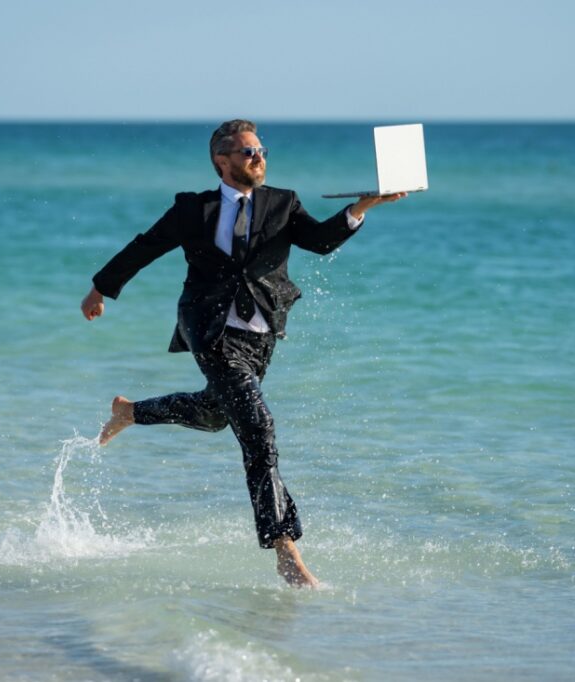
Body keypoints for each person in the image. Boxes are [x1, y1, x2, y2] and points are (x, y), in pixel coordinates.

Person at [80, 119, 406, 587]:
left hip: (259, 334)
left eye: (261, 150)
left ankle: (132, 411)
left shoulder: (283, 202)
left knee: (217, 415)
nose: (259, 158)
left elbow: (319, 243)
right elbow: (146, 246)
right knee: (259, 427)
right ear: (223, 161)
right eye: (249, 152)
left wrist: (362, 207)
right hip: (208, 328)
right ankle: (285, 551)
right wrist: (101, 288)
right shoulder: (194, 208)